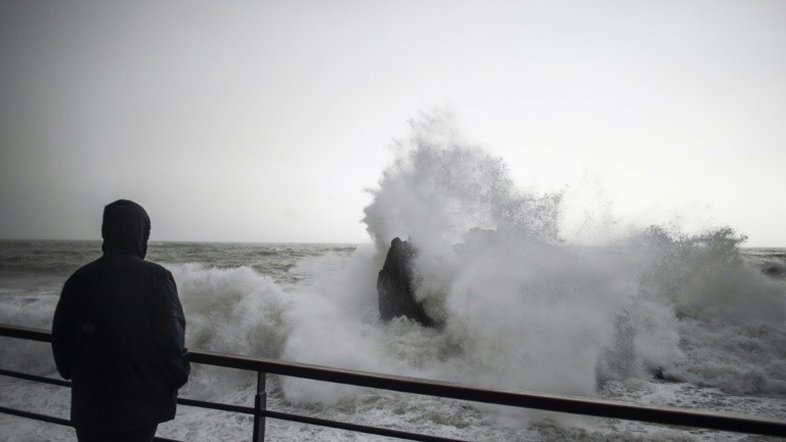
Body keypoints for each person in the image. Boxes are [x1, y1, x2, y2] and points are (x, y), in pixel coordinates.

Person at [52, 199, 190, 442]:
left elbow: (63, 352)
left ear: (107, 231)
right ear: (141, 233)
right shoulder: (156, 278)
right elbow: (170, 339)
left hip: (89, 406)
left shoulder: (79, 279)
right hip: (138, 408)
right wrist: (181, 373)